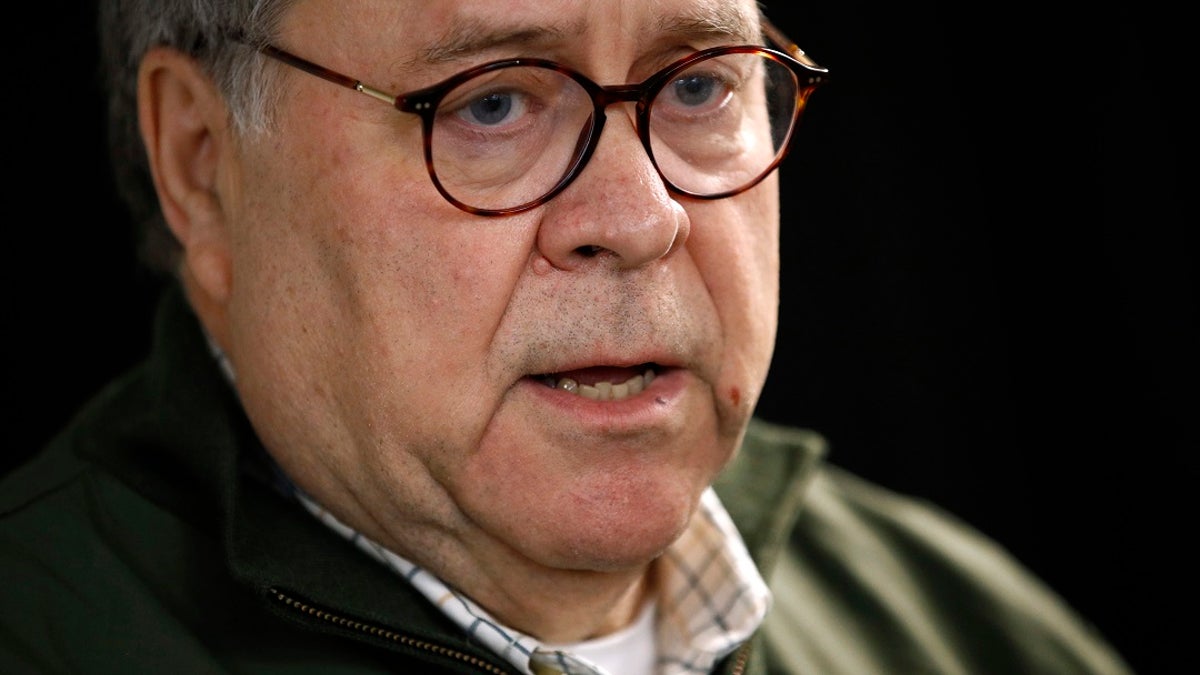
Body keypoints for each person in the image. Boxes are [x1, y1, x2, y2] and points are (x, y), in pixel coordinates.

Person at [0, 0, 1137, 673]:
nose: (642, 220)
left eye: (699, 85)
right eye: (491, 102)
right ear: (201, 162)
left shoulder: (953, 623)